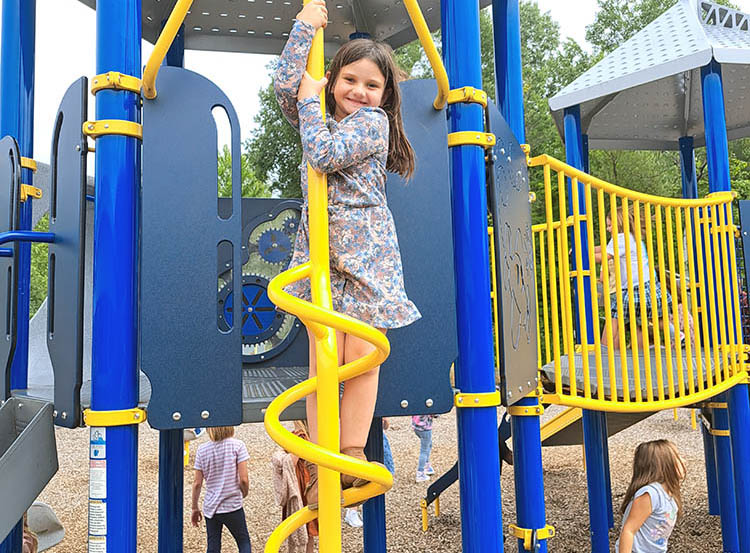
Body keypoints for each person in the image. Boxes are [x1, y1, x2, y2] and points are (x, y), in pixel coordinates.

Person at [274, 0, 421, 504]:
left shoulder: (371, 124)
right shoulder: (316, 113)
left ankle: (351, 452)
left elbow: (324, 154)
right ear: (333, 78)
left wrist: (313, 104)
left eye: (372, 85)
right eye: (350, 80)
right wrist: (303, 28)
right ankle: (320, 461)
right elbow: (285, 85)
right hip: (319, 256)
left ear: (384, 94)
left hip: (365, 255)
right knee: (322, 362)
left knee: (361, 355)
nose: (360, 91)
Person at [595, 205, 671, 350]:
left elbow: (604, 256)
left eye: (610, 225)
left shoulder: (620, 239)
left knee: (614, 316)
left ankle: (603, 350)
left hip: (635, 287)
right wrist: (585, 248)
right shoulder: (630, 236)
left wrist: (582, 255)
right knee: (649, 317)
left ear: (618, 224)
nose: (608, 229)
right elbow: (604, 248)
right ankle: (675, 332)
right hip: (648, 284)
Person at [616, 439, 686, 553]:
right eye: (677, 457)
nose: (684, 460)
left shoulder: (668, 494)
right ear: (663, 465)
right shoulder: (650, 494)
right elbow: (628, 530)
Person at [191, 426, 251, 553]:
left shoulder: (202, 450)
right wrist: (244, 493)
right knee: (243, 541)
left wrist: (194, 508)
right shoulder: (238, 446)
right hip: (232, 505)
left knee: (213, 545)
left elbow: (197, 483)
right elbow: (244, 479)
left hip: (211, 508)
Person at [411, 415, 434, 482]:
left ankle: (426, 466)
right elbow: (435, 414)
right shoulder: (427, 404)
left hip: (416, 427)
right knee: (424, 450)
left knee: (429, 444)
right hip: (425, 429)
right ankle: (420, 473)